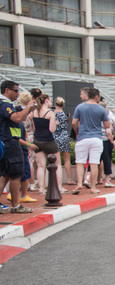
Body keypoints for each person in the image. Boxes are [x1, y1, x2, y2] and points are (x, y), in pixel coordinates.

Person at [0, 80, 37, 214]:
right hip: (10, 142)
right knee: (15, 175)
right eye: (15, 90)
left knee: (5, 175)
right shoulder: (4, 104)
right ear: (7, 90)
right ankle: (16, 205)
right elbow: (17, 118)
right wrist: (29, 107)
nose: (18, 93)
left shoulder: (5, 104)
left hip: (6, 142)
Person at [71, 87, 112, 195]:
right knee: (94, 163)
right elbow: (107, 125)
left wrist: (77, 132)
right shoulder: (101, 109)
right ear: (97, 97)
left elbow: (74, 123)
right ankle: (93, 187)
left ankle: (79, 183)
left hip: (82, 137)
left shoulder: (80, 107)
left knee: (80, 162)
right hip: (96, 138)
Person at [32, 94, 62, 195]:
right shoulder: (50, 113)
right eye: (49, 100)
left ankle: (41, 188)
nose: (51, 102)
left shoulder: (34, 112)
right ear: (46, 100)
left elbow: (34, 128)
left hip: (37, 140)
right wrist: (56, 124)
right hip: (48, 140)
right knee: (57, 163)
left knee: (41, 165)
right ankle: (59, 187)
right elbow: (51, 129)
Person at [53, 97, 74, 186]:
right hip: (64, 136)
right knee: (67, 160)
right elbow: (67, 123)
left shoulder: (51, 114)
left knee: (56, 161)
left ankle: (57, 181)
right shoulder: (66, 114)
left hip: (54, 136)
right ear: (63, 104)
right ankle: (69, 179)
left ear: (55, 104)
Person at [98, 100, 115, 188]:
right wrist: (112, 141)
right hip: (105, 141)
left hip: (97, 140)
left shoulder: (96, 118)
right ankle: (107, 180)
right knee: (107, 160)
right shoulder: (106, 118)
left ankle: (89, 178)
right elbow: (108, 131)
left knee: (95, 161)